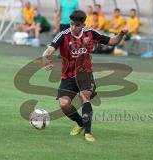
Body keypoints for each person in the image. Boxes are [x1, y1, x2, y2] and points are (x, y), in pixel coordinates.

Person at [42, 10, 128, 142]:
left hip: (85, 73)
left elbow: (112, 41)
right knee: (64, 104)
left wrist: (121, 34)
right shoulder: (63, 35)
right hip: (68, 75)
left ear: (83, 25)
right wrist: (46, 58)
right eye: (71, 24)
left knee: (84, 96)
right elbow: (49, 50)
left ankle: (88, 133)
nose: (73, 27)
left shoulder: (91, 33)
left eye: (76, 25)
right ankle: (81, 123)